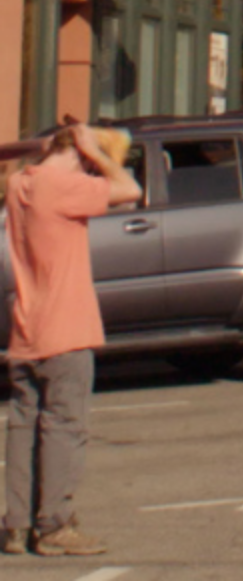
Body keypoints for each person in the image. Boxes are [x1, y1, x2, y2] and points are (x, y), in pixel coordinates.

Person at [4, 123, 141, 558]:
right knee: (65, 428)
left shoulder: (20, 184)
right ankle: (54, 525)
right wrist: (97, 153)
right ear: (81, 154)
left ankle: (16, 525)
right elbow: (130, 191)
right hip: (66, 329)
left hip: (26, 329)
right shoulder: (65, 186)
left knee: (24, 428)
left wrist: (60, 146)